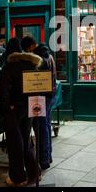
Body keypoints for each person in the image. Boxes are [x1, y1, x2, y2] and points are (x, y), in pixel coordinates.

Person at [0, 37, 43, 186]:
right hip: (29, 106)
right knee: (26, 139)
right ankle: (34, 172)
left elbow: (3, 89)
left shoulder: (9, 66)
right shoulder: (31, 64)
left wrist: (6, 107)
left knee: (15, 143)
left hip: (14, 108)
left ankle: (17, 178)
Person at [21, 35, 56, 170]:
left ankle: (44, 160)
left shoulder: (37, 59)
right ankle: (48, 156)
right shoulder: (50, 56)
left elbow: (35, 80)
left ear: (30, 47)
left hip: (41, 97)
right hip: (50, 95)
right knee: (46, 125)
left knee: (41, 127)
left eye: (27, 50)